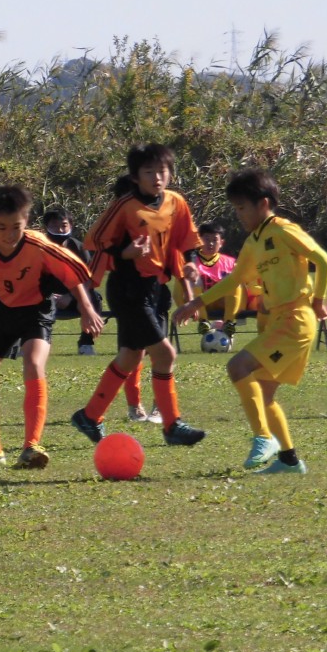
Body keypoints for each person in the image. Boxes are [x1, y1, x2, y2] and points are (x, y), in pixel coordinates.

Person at [174, 169, 327, 474]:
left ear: (263, 204)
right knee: (263, 392)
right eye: (236, 209)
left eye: (242, 208)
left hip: (296, 320)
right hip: (279, 320)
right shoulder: (253, 242)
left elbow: (324, 261)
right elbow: (235, 279)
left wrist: (318, 300)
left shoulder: (284, 231)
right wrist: (196, 302)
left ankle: (264, 437)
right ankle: (289, 460)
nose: (239, 215)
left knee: (238, 367)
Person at [0, 184, 104, 468]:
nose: (10, 235)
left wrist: (87, 309)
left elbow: (73, 273)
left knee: (34, 363)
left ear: (26, 220)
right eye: (1, 228)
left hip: (37, 311)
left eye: (17, 227)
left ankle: (32, 446)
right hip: (2, 312)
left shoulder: (38, 245)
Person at [72, 144, 206, 447]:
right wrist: (125, 252)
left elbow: (188, 239)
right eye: (149, 172)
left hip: (155, 287)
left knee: (130, 357)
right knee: (165, 354)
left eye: (162, 171)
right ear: (135, 177)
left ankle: (89, 416)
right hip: (128, 288)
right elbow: (95, 239)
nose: (157, 177)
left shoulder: (176, 202)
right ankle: (172, 424)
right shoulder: (125, 206)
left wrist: (190, 264)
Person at [42, 206, 105, 356]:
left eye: (64, 225)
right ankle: (37, 343)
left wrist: (70, 296)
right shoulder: (38, 248)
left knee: (94, 298)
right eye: (54, 226)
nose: (60, 230)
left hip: (73, 298)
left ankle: (86, 343)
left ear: (71, 226)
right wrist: (49, 296)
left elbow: (88, 278)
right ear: (46, 227)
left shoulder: (79, 248)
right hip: (43, 297)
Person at [173, 221, 243, 340]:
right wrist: (183, 307)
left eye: (214, 240)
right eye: (206, 239)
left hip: (222, 304)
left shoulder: (229, 263)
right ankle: (203, 322)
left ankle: (229, 323)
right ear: (198, 241)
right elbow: (178, 290)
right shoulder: (191, 263)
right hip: (198, 306)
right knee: (194, 281)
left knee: (234, 282)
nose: (210, 243)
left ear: (221, 243)